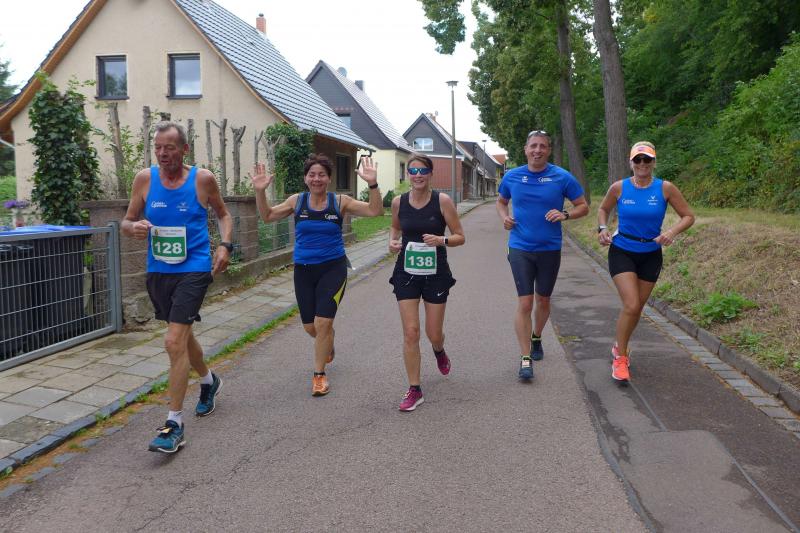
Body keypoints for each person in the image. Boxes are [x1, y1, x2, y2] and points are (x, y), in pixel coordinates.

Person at [122, 121, 232, 454]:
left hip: (194, 269)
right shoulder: (144, 179)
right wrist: (133, 227)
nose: (162, 153)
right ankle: (209, 381)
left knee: (172, 341)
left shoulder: (202, 179)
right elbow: (127, 220)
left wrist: (225, 245)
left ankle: (174, 424)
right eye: (157, 148)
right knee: (181, 337)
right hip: (159, 270)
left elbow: (224, 214)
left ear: (184, 149)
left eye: (169, 148)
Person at [251, 154, 382, 396]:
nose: (316, 179)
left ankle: (319, 376)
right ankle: (328, 339)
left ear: (329, 179)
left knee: (323, 323)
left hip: (333, 268)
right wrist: (260, 191)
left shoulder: (340, 201)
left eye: (322, 174)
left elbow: (375, 211)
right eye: (312, 174)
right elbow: (267, 216)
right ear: (305, 178)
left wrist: (372, 184)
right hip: (303, 270)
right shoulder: (296, 201)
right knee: (311, 327)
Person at [597, 141, 695, 383]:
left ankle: (619, 345)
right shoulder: (619, 187)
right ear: (631, 162)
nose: (642, 164)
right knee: (631, 305)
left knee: (637, 308)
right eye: (638, 159)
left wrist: (671, 232)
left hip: (651, 253)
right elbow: (603, 209)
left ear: (653, 162)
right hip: (622, 250)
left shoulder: (665, 188)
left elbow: (688, 216)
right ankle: (621, 357)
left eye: (647, 159)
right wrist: (602, 228)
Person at [496, 130, 589, 380]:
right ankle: (525, 357)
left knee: (543, 301)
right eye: (533, 146)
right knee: (525, 303)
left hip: (549, 248)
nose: (537, 150)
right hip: (520, 246)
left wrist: (565, 214)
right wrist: (505, 218)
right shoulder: (512, 176)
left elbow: (583, 206)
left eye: (542, 146)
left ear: (548, 150)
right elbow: (501, 201)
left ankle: (537, 336)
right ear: (525, 149)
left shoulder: (562, 177)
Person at [388, 154, 465, 411]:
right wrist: (392, 242)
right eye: (413, 171)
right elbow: (395, 228)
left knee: (433, 333)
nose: (418, 175)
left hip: (436, 273)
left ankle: (439, 350)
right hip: (406, 272)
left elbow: (460, 236)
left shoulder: (442, 201)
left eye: (423, 171)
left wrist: (441, 240)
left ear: (430, 174)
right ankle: (415, 389)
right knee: (411, 332)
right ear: (408, 174)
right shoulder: (398, 202)